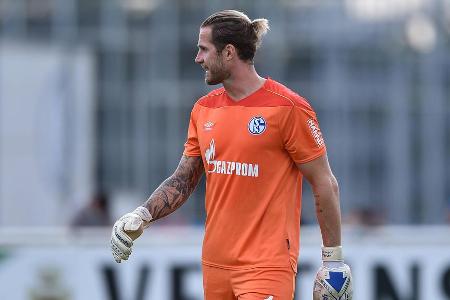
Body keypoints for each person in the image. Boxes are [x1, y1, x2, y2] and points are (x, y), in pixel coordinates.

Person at [110, 10, 352, 299]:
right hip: (216, 266)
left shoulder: (288, 108)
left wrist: (333, 260)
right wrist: (143, 215)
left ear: (228, 52)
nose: (197, 59)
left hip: (266, 265)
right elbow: (184, 179)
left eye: (203, 49)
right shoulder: (204, 109)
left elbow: (325, 183)